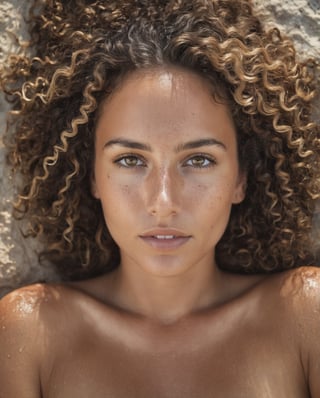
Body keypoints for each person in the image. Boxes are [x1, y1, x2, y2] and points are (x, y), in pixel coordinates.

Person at [0, 0, 320, 396]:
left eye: (199, 160)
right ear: (91, 176)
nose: (164, 200)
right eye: (131, 159)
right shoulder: (31, 333)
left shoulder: (304, 315)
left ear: (241, 177)